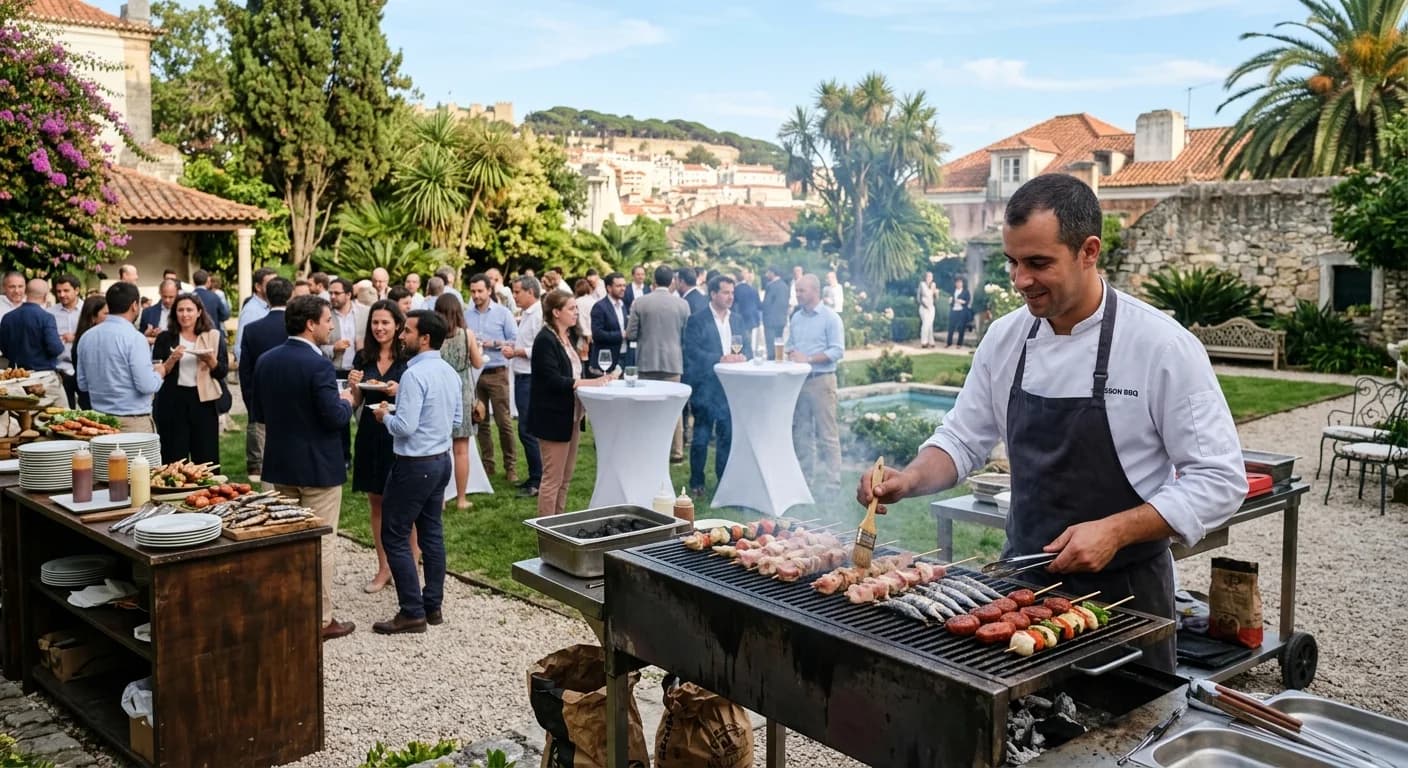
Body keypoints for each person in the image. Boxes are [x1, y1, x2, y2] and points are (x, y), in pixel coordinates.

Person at [857, 175, 1247, 673]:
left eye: (1038, 263)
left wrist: (1116, 530)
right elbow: (962, 436)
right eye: (1013, 262)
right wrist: (909, 479)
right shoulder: (1006, 338)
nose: (1020, 280)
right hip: (1020, 584)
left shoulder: (1161, 347)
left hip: (1126, 593)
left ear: (1089, 251)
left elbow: (1219, 479)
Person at [252, 294, 357, 641]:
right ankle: (320, 618)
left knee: (284, 542)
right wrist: (349, 400)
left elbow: (260, 414)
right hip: (318, 468)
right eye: (328, 320)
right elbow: (334, 419)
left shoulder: (266, 360)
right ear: (311, 324)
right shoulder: (319, 366)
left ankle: (284, 606)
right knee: (321, 543)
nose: (331, 326)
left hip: (279, 462)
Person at [371, 309, 460, 634]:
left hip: (414, 464)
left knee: (394, 535)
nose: (401, 335)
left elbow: (405, 427)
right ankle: (432, 605)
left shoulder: (413, 375)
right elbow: (455, 419)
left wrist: (384, 417)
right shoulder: (449, 372)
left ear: (424, 338)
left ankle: (412, 610)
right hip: (440, 460)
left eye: (407, 330)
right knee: (432, 532)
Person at [528, 291, 615, 516]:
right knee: (552, 480)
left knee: (565, 479)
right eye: (571, 309)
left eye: (576, 308)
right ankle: (547, 532)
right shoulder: (545, 340)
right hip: (552, 417)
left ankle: (558, 525)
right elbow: (552, 380)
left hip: (572, 415)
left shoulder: (566, 337)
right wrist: (589, 383)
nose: (576, 312)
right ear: (556, 313)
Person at [346, 300, 410, 594]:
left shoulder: (409, 357)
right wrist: (354, 386)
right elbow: (356, 403)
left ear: (398, 325)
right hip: (371, 433)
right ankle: (383, 567)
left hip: (401, 435)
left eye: (385, 322)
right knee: (377, 503)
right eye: (375, 322)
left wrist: (400, 390)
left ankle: (409, 564)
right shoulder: (363, 356)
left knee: (406, 505)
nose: (380, 328)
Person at [682, 275, 750, 497]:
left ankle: (724, 480)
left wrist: (742, 357)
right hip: (704, 386)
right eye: (725, 292)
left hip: (731, 389)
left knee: (727, 436)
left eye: (732, 292)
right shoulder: (697, 320)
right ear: (713, 294)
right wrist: (720, 358)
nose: (730, 296)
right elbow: (692, 352)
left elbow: (745, 348)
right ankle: (696, 482)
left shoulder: (738, 319)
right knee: (701, 437)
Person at [77, 282, 164, 433]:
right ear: (134, 305)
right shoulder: (135, 338)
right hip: (132, 422)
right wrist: (160, 372)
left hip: (99, 421)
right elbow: (147, 386)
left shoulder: (87, 337)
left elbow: (83, 384)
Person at [786, 274, 845, 493]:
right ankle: (805, 481)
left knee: (827, 433)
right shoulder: (796, 318)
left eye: (801, 290)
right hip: (799, 382)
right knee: (802, 433)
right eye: (797, 290)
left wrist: (808, 359)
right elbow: (791, 344)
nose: (798, 294)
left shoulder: (830, 318)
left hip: (822, 381)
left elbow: (838, 350)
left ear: (814, 291)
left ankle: (833, 482)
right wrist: (792, 352)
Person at [625, 266, 691, 462]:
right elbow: (687, 334)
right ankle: (676, 452)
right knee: (675, 408)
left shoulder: (640, 302)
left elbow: (631, 334)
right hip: (673, 361)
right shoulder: (682, 305)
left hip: (646, 361)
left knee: (646, 408)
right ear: (672, 281)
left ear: (654, 280)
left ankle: (647, 447)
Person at [152, 294, 227, 464]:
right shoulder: (165, 338)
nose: (185, 314)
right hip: (173, 401)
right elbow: (156, 370)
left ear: (199, 312)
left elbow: (222, 372)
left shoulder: (212, 336)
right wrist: (172, 359)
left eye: (189, 310)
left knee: (206, 456)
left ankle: (207, 489)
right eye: (180, 310)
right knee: (174, 455)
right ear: (174, 313)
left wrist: (210, 360)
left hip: (203, 401)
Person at [237, 278, 293, 483]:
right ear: (291, 296)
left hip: (261, 394)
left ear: (267, 296)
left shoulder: (253, 329)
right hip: (292, 393)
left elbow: (245, 369)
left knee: (262, 438)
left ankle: (258, 467)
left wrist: (249, 397)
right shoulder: (295, 326)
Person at [463, 273, 518, 482]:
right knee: (480, 420)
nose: (476, 295)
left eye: (480, 291)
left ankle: (511, 467)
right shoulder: (467, 315)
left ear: (489, 291)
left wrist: (492, 343)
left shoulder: (503, 313)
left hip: (497, 372)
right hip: (474, 375)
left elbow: (513, 340)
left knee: (504, 422)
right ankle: (488, 466)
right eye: (473, 291)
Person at [434, 293, 483, 510]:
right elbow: (478, 362)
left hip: (439, 392)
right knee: (461, 450)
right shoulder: (467, 335)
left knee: (439, 449)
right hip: (462, 393)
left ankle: (441, 499)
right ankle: (461, 498)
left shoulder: (433, 337)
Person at [0, 278, 67, 406]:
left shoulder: (8, 318)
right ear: (46, 295)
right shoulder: (46, 318)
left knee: (23, 417)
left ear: (26, 292)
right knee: (61, 415)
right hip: (44, 378)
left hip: (17, 379)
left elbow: (4, 348)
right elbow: (55, 348)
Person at [504, 277, 543, 497]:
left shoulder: (538, 315)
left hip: (530, 378)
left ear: (530, 292)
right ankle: (534, 475)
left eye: (517, 292)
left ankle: (538, 480)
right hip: (522, 377)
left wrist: (516, 352)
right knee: (525, 429)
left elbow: (539, 349)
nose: (515, 296)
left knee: (528, 430)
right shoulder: (528, 315)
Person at [48, 275, 82, 406]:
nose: (62, 294)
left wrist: (76, 338)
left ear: (77, 290)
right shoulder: (50, 313)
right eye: (58, 291)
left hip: (82, 368)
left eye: (66, 290)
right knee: (65, 410)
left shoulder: (87, 310)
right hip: (60, 369)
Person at [70, 296, 107, 410]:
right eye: (106, 313)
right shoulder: (88, 341)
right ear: (93, 317)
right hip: (94, 398)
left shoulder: (83, 339)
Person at [325, 278, 368, 377]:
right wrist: (333, 348)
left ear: (348, 294)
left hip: (359, 371)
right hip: (333, 369)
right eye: (330, 293)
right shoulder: (325, 314)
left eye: (337, 293)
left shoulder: (365, 313)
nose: (332, 296)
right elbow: (317, 346)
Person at [233, 267, 276, 362]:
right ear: (258, 287)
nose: (275, 287)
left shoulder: (268, 306)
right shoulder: (251, 311)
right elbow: (240, 347)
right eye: (270, 284)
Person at [590, 272, 629, 372]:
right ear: (609, 288)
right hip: (606, 360)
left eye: (624, 285)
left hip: (623, 356)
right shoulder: (599, 307)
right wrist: (620, 335)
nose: (623, 288)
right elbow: (597, 334)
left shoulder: (623, 305)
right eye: (619, 286)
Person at [761, 266, 790, 356]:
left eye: (768, 272)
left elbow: (766, 304)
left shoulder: (771, 286)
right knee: (778, 346)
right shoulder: (785, 286)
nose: (766, 275)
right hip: (781, 319)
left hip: (770, 320)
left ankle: (771, 366)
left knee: (770, 347)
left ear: (773, 273)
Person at [731, 267, 761, 347]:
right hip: (751, 318)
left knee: (738, 342)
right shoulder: (753, 289)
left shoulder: (735, 290)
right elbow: (758, 304)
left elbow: (732, 305)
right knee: (748, 341)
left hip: (739, 318)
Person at [572, 279, 595, 363]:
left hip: (583, 336)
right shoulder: (594, 301)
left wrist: (585, 334)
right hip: (594, 336)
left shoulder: (577, 302)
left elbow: (579, 320)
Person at [947, 276, 973, 349]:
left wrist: (962, 301)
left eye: (960, 282)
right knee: (951, 327)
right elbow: (951, 301)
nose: (958, 284)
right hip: (954, 310)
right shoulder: (953, 291)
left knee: (961, 328)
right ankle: (949, 342)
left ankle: (959, 344)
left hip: (962, 311)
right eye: (957, 282)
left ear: (962, 283)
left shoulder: (965, 291)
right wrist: (950, 301)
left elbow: (968, 301)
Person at [918, 271, 938, 348]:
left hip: (931, 307)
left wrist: (936, 293)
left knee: (930, 325)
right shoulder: (922, 284)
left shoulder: (933, 285)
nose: (929, 278)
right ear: (925, 277)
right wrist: (924, 305)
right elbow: (919, 297)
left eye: (931, 276)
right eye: (928, 276)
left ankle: (931, 341)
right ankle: (924, 342)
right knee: (925, 324)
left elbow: (935, 298)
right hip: (924, 307)